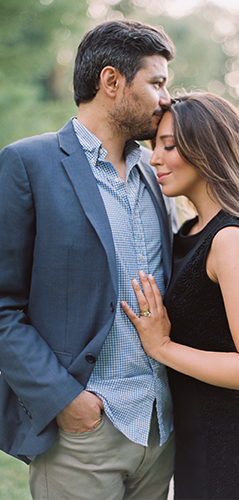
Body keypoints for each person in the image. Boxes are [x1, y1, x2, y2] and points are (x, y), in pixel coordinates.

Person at [0, 19, 178, 500]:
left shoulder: (159, 172)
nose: (167, 98)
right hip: (82, 436)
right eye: (157, 82)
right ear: (112, 81)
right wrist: (65, 401)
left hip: (159, 430)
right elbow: (2, 306)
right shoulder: (27, 164)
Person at [121, 92, 239, 499]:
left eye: (169, 146)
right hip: (196, 438)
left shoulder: (229, 239)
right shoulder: (189, 233)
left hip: (235, 447)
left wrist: (161, 347)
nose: (155, 160)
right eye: (153, 147)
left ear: (208, 147)